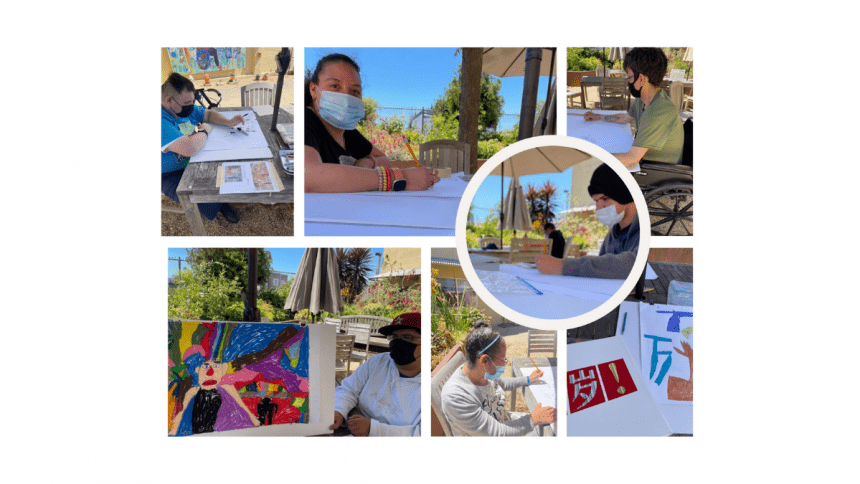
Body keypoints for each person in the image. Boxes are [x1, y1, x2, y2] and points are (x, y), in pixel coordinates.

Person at [304, 54, 440, 193]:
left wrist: (369, 162)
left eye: (355, 91)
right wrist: (398, 178)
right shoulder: (306, 121)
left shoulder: (347, 132)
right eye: (335, 86)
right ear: (313, 90)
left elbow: (383, 158)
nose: (346, 96)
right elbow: (307, 175)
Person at [440, 321, 556, 436]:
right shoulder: (456, 397)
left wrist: (528, 379)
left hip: (503, 421)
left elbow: (500, 383)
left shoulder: (478, 372)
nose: (505, 362)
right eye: (502, 359)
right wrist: (534, 419)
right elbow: (497, 433)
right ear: (484, 360)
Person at [161, 72, 245, 223]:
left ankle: (220, 201)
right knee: (201, 195)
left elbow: (208, 114)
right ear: (169, 100)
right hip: (168, 173)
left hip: (192, 159)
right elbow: (190, 147)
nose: (191, 107)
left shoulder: (181, 105)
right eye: (187, 104)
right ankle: (219, 205)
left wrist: (229, 122)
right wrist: (204, 130)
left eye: (192, 102)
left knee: (223, 172)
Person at [583, 48, 684, 169]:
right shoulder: (643, 99)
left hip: (661, 172)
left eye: (629, 77)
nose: (628, 81)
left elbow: (631, 161)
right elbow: (625, 118)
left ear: (641, 79)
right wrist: (597, 117)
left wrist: (588, 158)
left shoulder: (659, 110)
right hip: (645, 160)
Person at [535, 163, 639, 279]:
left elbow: (636, 263)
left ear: (623, 194)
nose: (598, 208)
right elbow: (605, 271)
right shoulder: (611, 237)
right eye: (596, 201)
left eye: (605, 198)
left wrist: (564, 266)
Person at [330, 312, 421, 436]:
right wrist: (339, 410)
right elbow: (349, 388)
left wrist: (374, 430)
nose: (398, 343)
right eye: (394, 337)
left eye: (407, 337)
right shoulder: (378, 362)